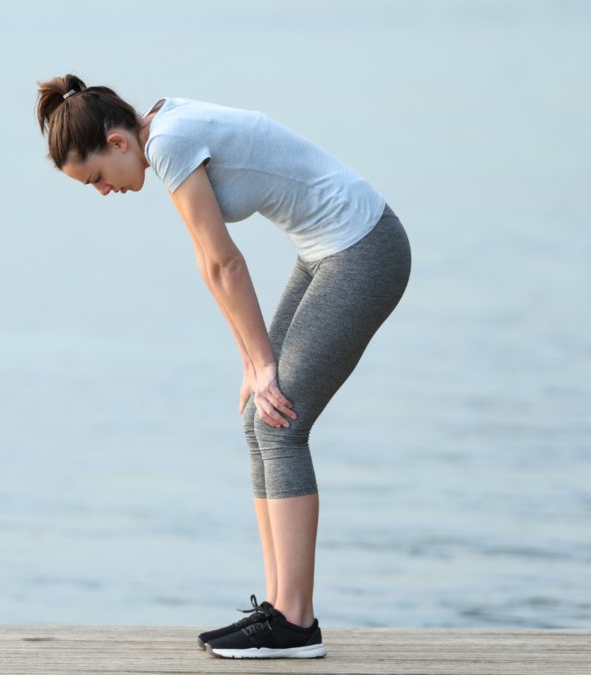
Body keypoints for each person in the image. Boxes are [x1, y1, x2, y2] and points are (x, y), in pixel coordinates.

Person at [35, 74, 411, 660]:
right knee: (258, 418)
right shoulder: (160, 129)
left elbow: (226, 264)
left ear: (117, 143)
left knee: (281, 422)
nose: (104, 193)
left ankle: (294, 621)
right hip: (324, 253)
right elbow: (211, 266)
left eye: (97, 180)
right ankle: (281, 608)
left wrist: (265, 361)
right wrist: (250, 361)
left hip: (363, 250)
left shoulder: (169, 142)